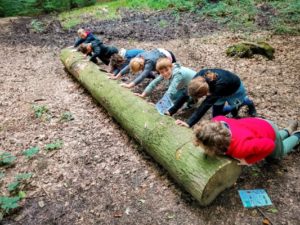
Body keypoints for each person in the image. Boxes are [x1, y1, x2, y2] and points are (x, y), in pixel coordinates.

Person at [166, 69, 257, 128]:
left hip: (234, 90)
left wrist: (189, 123)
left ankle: (247, 102)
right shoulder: (198, 78)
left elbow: (205, 105)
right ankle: (233, 111)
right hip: (218, 92)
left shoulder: (218, 87)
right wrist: (171, 111)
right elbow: (185, 94)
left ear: (205, 94)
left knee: (235, 105)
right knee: (216, 117)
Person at [193, 117, 300, 165]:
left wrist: (248, 161)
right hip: (257, 125)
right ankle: (288, 130)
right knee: (276, 138)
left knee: (278, 153)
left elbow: (270, 145)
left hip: (268, 132)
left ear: (215, 146)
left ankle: (297, 136)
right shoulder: (217, 121)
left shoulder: (240, 149)